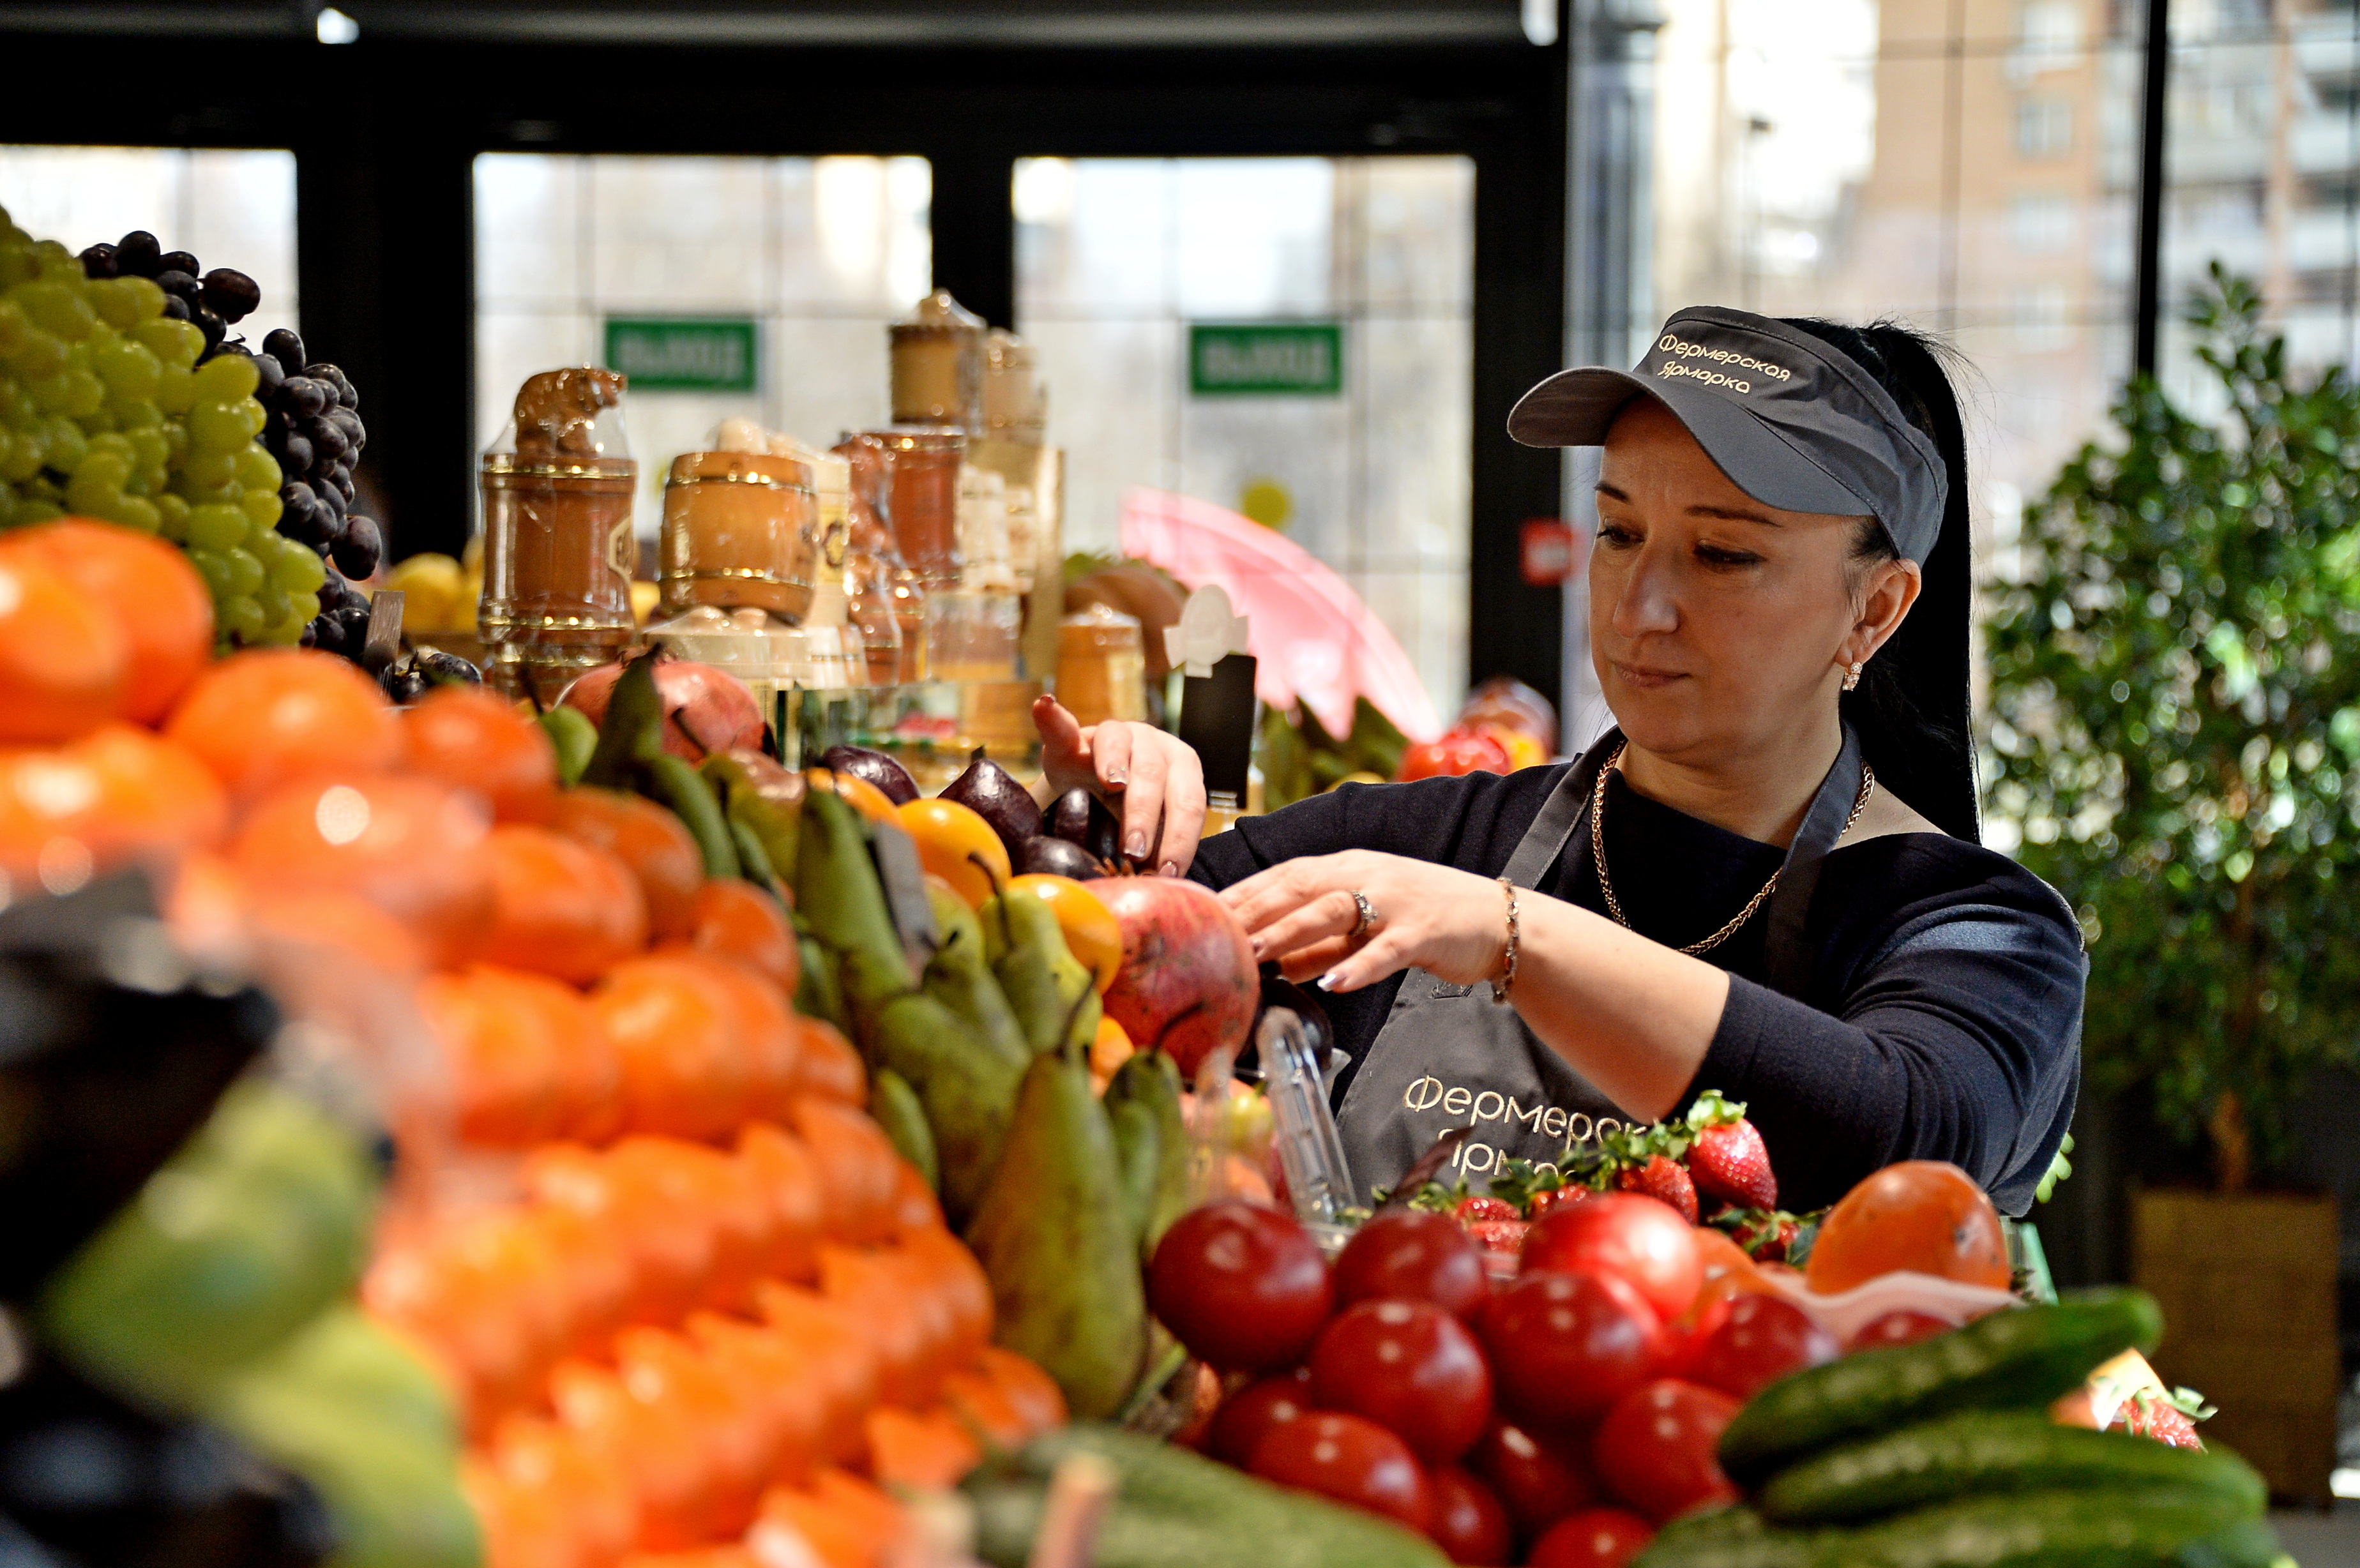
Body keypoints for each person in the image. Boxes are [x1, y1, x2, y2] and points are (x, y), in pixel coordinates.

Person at [1031, 306, 2083, 1216]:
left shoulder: (1973, 927)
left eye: (1724, 554)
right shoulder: (1423, 846)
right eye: (1619, 533)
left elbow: (1907, 1137)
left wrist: (1505, 934)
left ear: (1877, 609)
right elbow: (1041, 962)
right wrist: (1105, 833)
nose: (1641, 608)